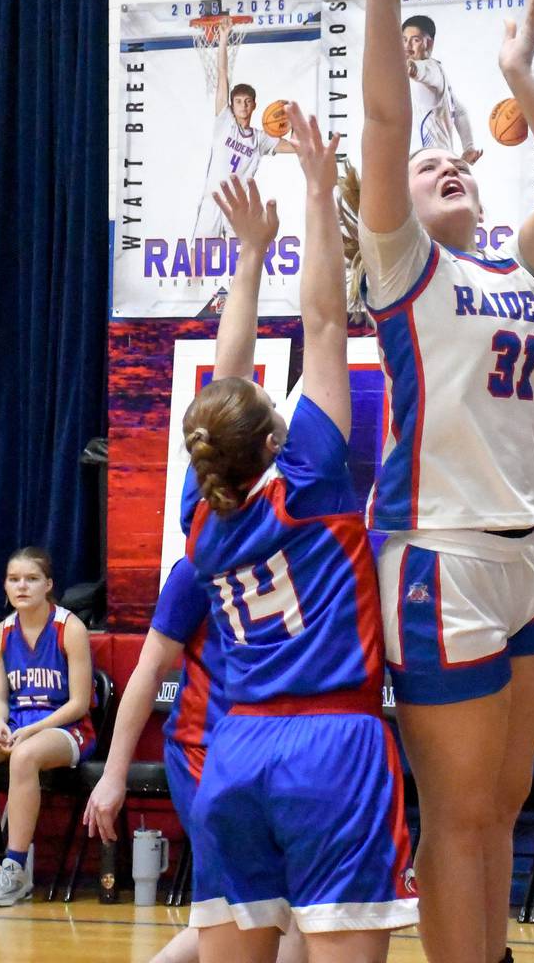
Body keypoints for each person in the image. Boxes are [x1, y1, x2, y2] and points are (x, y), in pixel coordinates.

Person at [339, 0, 534, 963]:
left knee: (498, 812)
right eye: (427, 165)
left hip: (520, 560)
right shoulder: (402, 269)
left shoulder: (519, 269)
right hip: (437, 556)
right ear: (395, 206)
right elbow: (384, 116)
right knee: (455, 821)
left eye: (457, 160)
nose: (444, 162)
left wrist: (519, 78)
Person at [181, 101, 417, 963]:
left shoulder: (200, 511)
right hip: (332, 745)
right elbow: (323, 323)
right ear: (275, 440)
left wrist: (248, 256)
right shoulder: (310, 482)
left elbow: (225, 377)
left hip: (235, 748)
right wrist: (319, 193)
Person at [84, 553, 306, 963]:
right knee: (254, 907)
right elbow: (149, 669)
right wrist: (114, 774)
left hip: (274, 755)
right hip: (203, 753)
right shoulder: (196, 569)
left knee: (288, 904)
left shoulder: (306, 559)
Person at [0, 546, 95, 907]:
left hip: (67, 728)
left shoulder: (70, 628)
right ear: (5, 586)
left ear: (48, 584)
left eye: (32, 579)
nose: (22, 586)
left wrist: (34, 731)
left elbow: (79, 703)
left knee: (23, 755)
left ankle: (15, 871)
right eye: (14, 579)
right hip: (18, 724)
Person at [191, 17, 296, 242]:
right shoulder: (225, 122)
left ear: (254, 105)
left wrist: (294, 121)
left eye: (247, 102)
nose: (243, 106)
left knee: (240, 262)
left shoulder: (260, 139)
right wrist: (223, 38)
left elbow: (296, 147)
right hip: (213, 201)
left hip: (237, 209)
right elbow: (222, 75)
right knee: (198, 261)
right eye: (238, 101)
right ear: (231, 105)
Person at [402, 13, 482, 163]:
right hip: (441, 162)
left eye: (415, 40)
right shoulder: (439, 70)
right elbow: (460, 112)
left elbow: (422, 70)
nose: (407, 46)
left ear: (429, 44)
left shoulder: (430, 69)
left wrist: (412, 68)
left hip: (430, 164)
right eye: (404, 40)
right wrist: (469, 147)